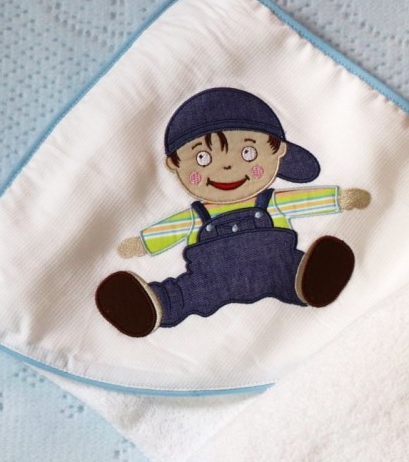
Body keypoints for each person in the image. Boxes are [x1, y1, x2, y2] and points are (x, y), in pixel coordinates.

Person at [96, 87, 370, 337]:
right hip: (210, 279)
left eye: (247, 152)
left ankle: (315, 281)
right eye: (202, 158)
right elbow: (173, 228)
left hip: (276, 268)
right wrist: (142, 243)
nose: (227, 167)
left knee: (294, 272)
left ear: (278, 151)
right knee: (185, 293)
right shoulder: (197, 216)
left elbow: (305, 200)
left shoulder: (272, 201)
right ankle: (153, 305)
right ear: (174, 165)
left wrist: (340, 199)